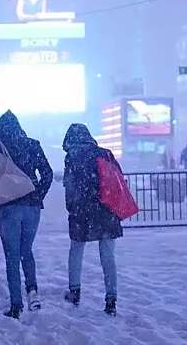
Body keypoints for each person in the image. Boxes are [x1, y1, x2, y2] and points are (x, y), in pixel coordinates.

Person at [0, 110, 53, 319]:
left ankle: (16, 305)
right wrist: (36, 193)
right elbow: (48, 173)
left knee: (12, 256)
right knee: (27, 250)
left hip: (8, 207)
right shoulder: (33, 144)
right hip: (32, 207)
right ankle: (32, 291)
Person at [61, 124, 122, 316]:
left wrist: (72, 208)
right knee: (107, 256)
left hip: (82, 212)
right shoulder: (105, 154)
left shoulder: (73, 157)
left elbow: (70, 186)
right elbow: (119, 179)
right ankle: (111, 299)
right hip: (107, 211)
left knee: (76, 250)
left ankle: (75, 291)